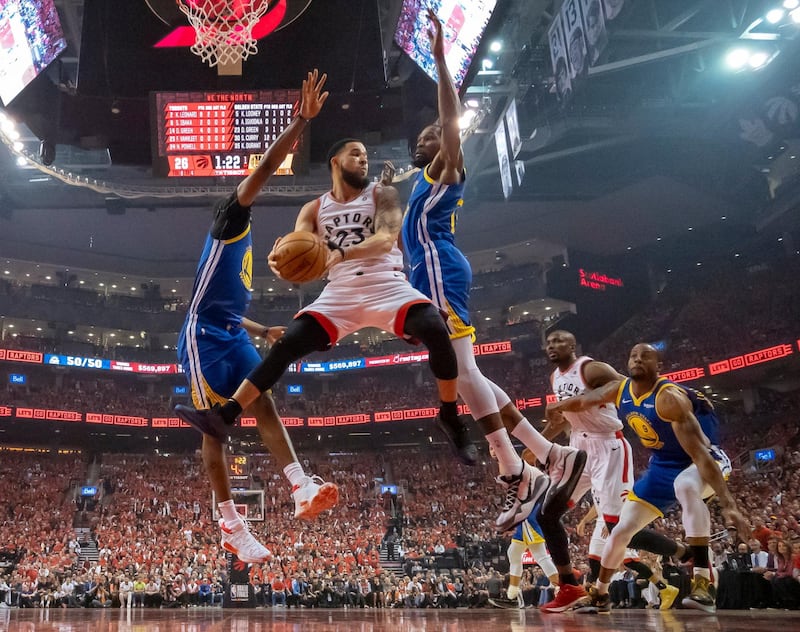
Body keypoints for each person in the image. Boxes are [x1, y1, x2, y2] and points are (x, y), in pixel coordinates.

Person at [175, 89, 480, 466]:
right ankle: (226, 414)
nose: (363, 159)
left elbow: (386, 239)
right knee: (287, 345)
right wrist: (281, 260)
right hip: (340, 291)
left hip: (386, 282)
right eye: (356, 153)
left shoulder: (382, 193)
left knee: (435, 329)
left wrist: (340, 252)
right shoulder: (314, 207)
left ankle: (450, 417)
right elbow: (299, 249)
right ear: (335, 161)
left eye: (366, 155)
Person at [396, 9, 586, 532]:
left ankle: (516, 469)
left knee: (458, 373)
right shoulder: (419, 186)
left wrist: (437, 60)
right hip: (431, 271)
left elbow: (451, 124)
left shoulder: (446, 168)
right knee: (469, 373)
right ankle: (548, 454)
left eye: (433, 133)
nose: (426, 136)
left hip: (439, 269)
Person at [174, 70, 339, 564]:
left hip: (228, 329)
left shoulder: (244, 249)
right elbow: (267, 166)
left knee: (262, 400)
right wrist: (299, 123)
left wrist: (261, 328)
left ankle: (300, 486)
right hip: (201, 338)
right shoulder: (229, 220)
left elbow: (225, 308)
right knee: (214, 427)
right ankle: (231, 525)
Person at [547, 342, 751, 613]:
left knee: (686, 485)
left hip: (702, 459)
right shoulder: (621, 390)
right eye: (633, 355)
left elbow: (701, 456)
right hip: (662, 465)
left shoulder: (669, 399)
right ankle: (600, 593)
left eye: (646, 356)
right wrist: (558, 405)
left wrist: (729, 505)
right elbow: (585, 400)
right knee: (620, 531)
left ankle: (704, 580)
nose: (638, 359)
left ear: (660, 366)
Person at [539, 330, 680, 612]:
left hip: (607, 447)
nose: (552, 346)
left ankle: (685, 553)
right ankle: (570, 586)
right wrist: (539, 443)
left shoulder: (590, 368)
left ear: (573, 344)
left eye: (559, 341)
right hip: (578, 447)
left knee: (617, 526)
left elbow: (624, 387)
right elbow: (563, 419)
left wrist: (578, 401)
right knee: (548, 512)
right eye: (549, 342)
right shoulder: (555, 378)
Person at [489, 448, 559, 610]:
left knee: (540, 556)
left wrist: (499, 453)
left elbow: (511, 464)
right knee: (513, 552)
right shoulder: (535, 475)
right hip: (528, 516)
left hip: (529, 516)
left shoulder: (530, 472)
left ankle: (562, 588)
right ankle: (513, 595)